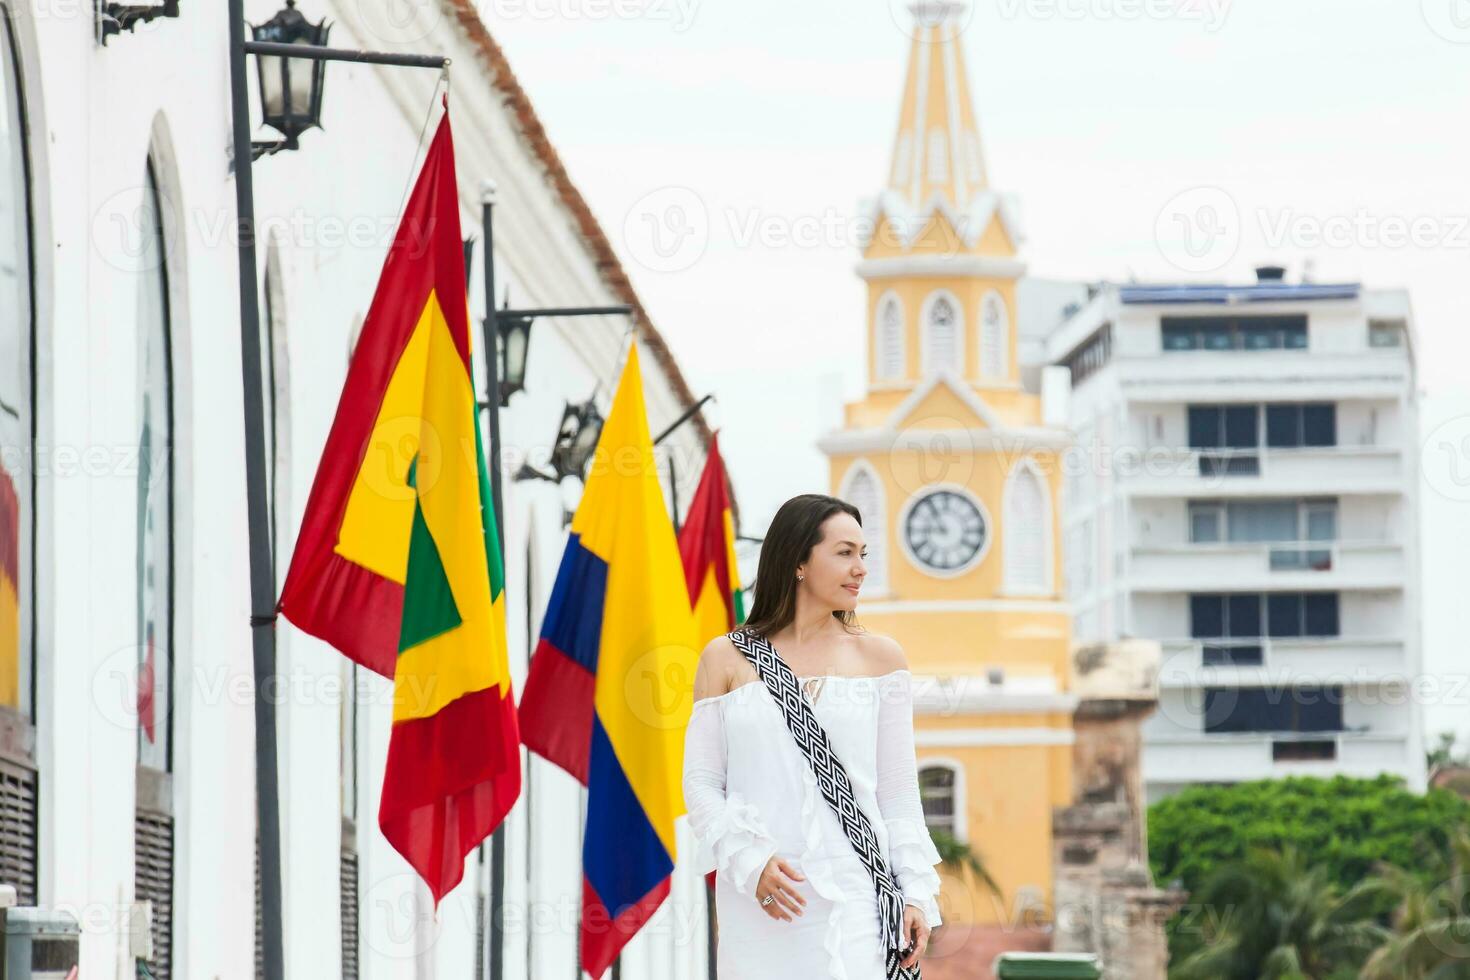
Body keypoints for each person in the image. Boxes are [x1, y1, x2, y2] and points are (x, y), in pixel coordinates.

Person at [683, 493, 943, 978]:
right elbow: (701, 784)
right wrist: (750, 860)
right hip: (766, 900)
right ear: (799, 560)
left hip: (860, 898)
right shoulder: (726, 659)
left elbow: (898, 791)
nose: (860, 568)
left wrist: (916, 894)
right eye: (844, 553)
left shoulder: (882, 659)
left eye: (863, 554)